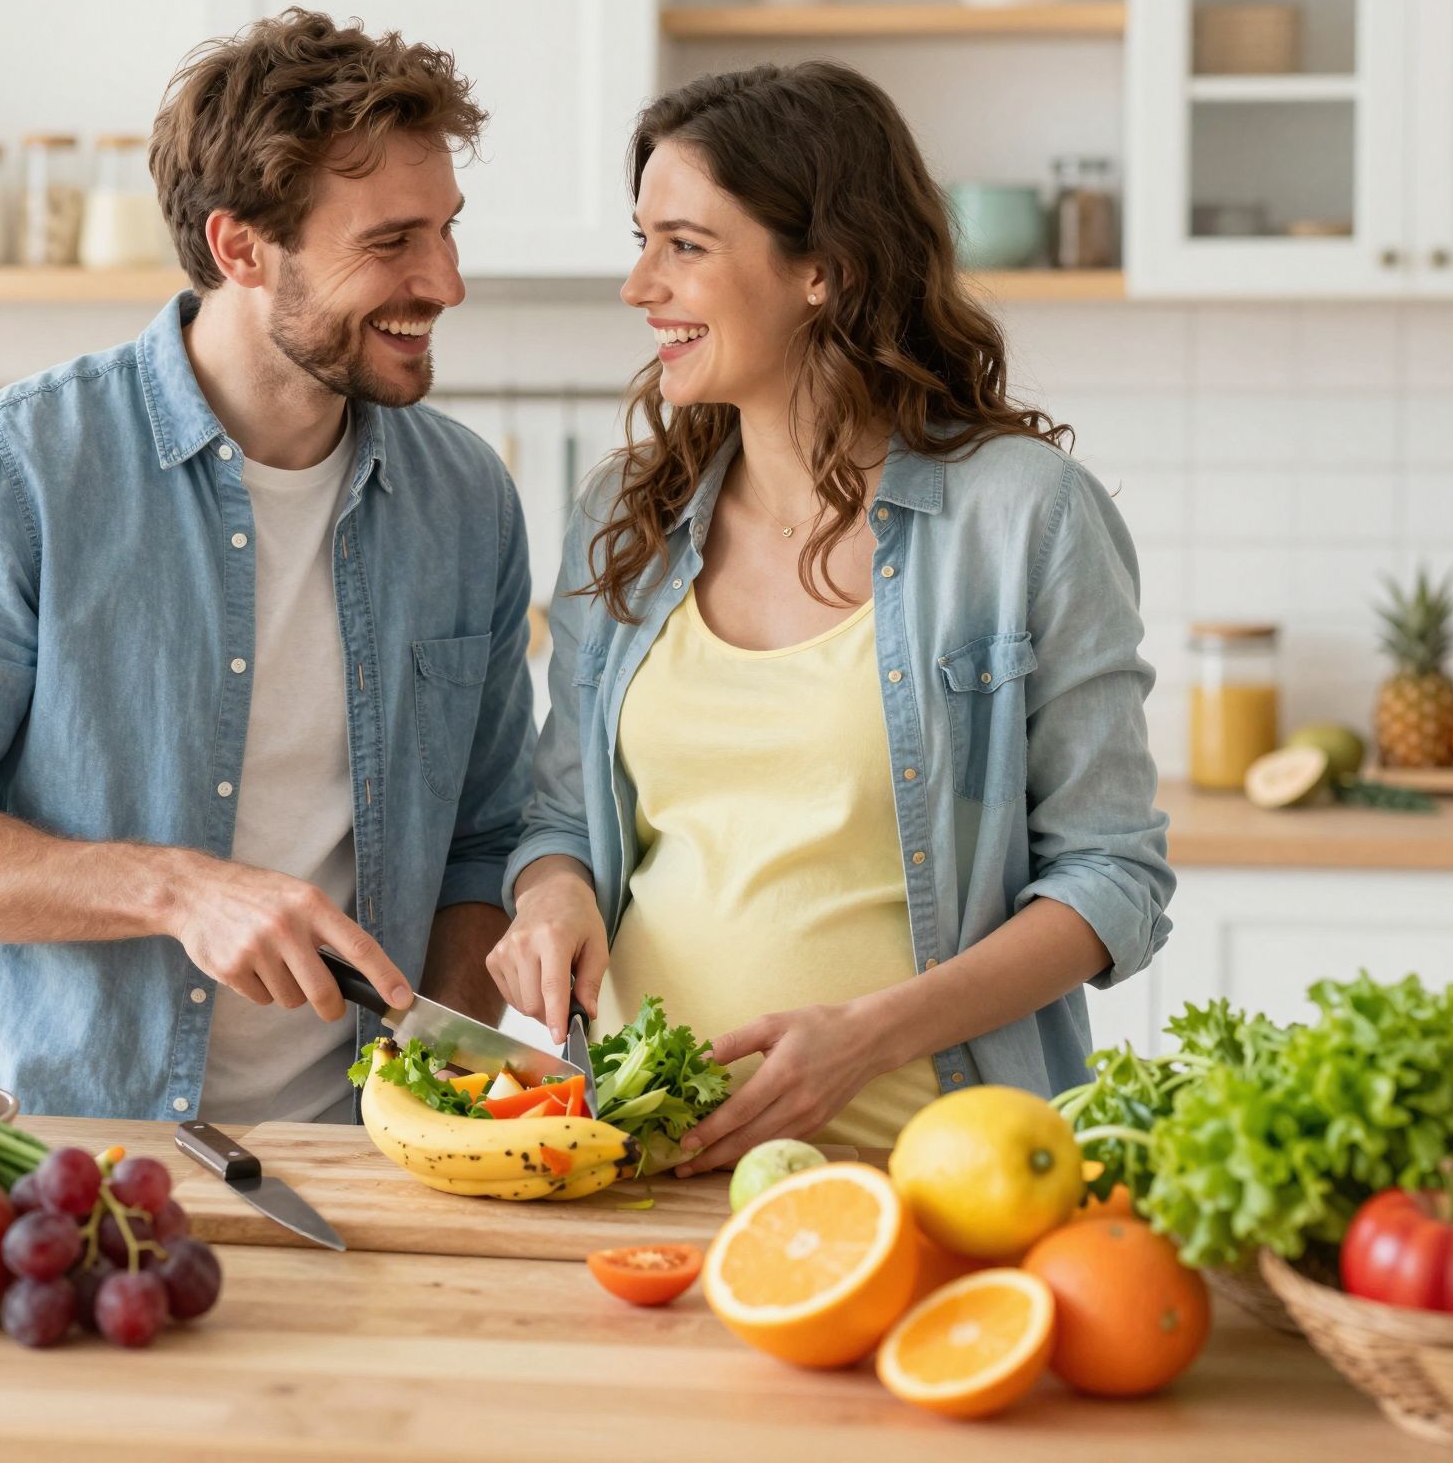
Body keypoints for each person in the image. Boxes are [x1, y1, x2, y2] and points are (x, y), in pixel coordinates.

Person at [0, 10, 533, 1123]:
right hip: (68, 1152)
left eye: (446, 230)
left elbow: (482, 845)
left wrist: (437, 1088)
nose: (444, 280)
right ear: (239, 247)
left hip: (361, 1162)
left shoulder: (466, 499)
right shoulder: (13, 473)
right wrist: (176, 891)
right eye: (391, 241)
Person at [486, 62, 1173, 1174]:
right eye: (642, 241)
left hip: (927, 1173)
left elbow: (1110, 880)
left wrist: (865, 1039)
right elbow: (564, 815)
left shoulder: (1023, 515)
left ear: (824, 269)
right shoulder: (625, 515)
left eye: (684, 246)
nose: (638, 285)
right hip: (639, 1162)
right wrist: (553, 898)